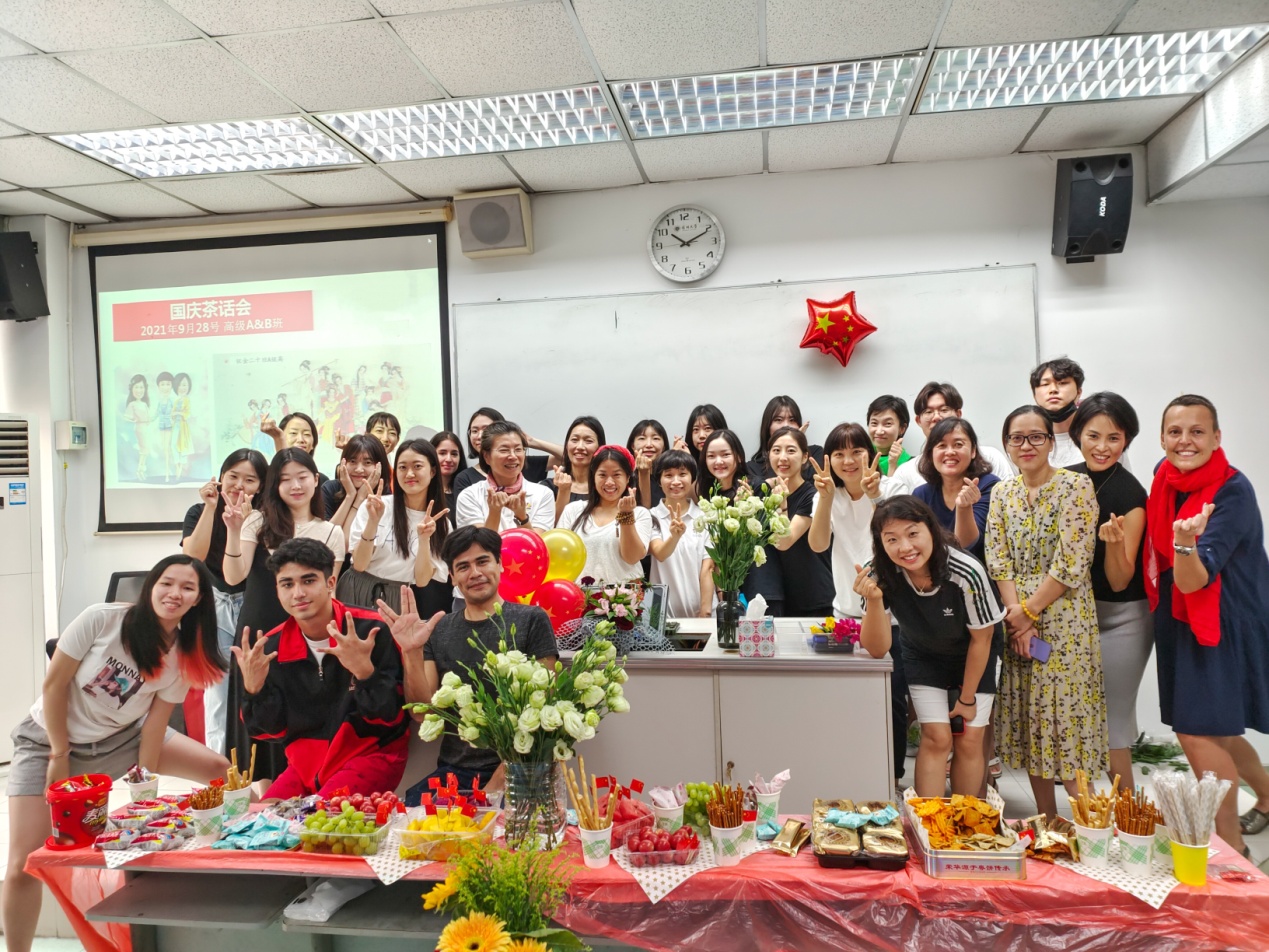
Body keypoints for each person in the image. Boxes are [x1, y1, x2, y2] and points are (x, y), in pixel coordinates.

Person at [3, 556, 229, 952]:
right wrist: (59, 755)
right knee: (24, 862)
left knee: (220, 769)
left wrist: (145, 791)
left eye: (187, 588)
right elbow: (54, 686)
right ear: (151, 585)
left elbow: (155, 726)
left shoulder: (183, 655)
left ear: (198, 600)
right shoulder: (102, 619)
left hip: (121, 739)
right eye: (166, 583)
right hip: (47, 741)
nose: (174, 593)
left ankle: (229, 869)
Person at [1147, 395, 1269, 855]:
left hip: (1219, 619)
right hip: (1177, 616)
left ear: (1217, 438)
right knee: (1215, 728)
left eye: (1197, 432)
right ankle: (1268, 797)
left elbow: (1195, 579)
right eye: (1175, 431)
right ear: (1162, 438)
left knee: (1197, 729)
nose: (1185, 441)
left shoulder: (1232, 491)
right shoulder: (1164, 476)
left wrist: (1184, 542)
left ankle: (1232, 849)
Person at [985, 405, 1107, 820]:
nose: (1027, 445)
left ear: (1051, 442)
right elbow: (998, 560)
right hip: (1018, 620)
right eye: (1017, 438)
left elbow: (1073, 563)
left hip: (1065, 619)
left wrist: (1027, 613)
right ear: (1006, 445)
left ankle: (1090, 827)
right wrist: (1016, 617)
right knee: (1033, 721)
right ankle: (1047, 822)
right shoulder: (1002, 493)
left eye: (1036, 436)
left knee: (1066, 721)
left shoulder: (1076, 486)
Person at [379, 526, 559, 802]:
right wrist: (412, 652)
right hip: (455, 773)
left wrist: (493, 791)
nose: (474, 573)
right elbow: (422, 713)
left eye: (482, 561)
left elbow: (544, 711)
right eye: (463, 567)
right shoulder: (439, 629)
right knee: (410, 812)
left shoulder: (531, 620)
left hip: (519, 770)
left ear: (500, 564)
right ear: (452, 577)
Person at [236, 538, 407, 799]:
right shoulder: (271, 648)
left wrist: (365, 673)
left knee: (318, 817)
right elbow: (269, 732)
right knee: (263, 819)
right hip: (304, 765)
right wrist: (254, 690)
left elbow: (390, 718)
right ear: (277, 590)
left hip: (370, 754)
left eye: (308, 581)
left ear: (330, 583)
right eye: (287, 584)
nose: (298, 593)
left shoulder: (372, 630)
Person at [857, 497, 1004, 797]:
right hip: (923, 654)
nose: (905, 547)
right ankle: (927, 819)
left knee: (969, 739)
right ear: (880, 543)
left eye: (913, 534)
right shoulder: (877, 573)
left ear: (931, 530)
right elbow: (877, 648)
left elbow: (983, 638)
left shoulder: (965, 570)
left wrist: (966, 698)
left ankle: (964, 818)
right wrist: (874, 601)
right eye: (892, 539)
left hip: (975, 653)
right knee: (937, 737)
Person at [222, 447, 347, 779]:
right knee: (259, 716)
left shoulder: (331, 532)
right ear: (274, 486)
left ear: (316, 480)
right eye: (285, 479)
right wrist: (233, 531)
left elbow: (330, 594)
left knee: (301, 717)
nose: (295, 485)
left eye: (302, 477)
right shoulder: (257, 521)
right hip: (260, 632)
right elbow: (234, 577)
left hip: (307, 637)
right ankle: (259, 794)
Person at [807, 423, 906, 783]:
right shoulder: (827, 494)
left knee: (891, 702)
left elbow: (899, 536)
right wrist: (826, 499)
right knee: (847, 701)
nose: (848, 461)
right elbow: (818, 544)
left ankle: (891, 779)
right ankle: (851, 775)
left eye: (856, 452)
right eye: (839, 454)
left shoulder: (892, 488)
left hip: (893, 617)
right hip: (845, 614)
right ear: (829, 459)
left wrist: (876, 495)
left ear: (870, 454)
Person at [1066, 392, 1152, 794]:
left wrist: (1114, 545)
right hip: (1072, 617)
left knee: (1113, 724)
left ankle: (1128, 816)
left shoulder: (1131, 495)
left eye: (1114, 438)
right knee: (1072, 718)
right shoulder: (1064, 480)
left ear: (1126, 441)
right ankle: (1087, 814)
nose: (1102, 447)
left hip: (1122, 619)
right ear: (1078, 435)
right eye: (1093, 436)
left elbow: (1120, 581)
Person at [181, 448, 268, 754]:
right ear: (220, 477)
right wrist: (210, 507)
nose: (239, 485)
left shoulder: (264, 518)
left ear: (261, 485)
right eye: (233, 476)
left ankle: (253, 765)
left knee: (254, 690)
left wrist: (245, 522)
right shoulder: (198, 511)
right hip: (214, 606)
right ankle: (219, 766)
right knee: (217, 695)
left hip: (252, 606)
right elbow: (193, 555)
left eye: (250, 479)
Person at [343, 439, 452, 617]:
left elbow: (422, 580)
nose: (409, 474)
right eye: (402, 467)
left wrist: (424, 540)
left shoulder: (440, 523)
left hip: (399, 597)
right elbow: (360, 565)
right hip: (356, 588)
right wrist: (373, 522)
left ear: (433, 471)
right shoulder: (376, 506)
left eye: (417, 466)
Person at [884, 382, 1014, 497]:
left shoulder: (991, 457)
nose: (936, 417)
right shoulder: (906, 472)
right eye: (928, 412)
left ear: (958, 414)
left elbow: (1009, 501)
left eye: (944, 410)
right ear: (918, 420)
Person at [764, 427, 834, 617]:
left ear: (805, 457)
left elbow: (784, 541)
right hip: (784, 597)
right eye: (776, 450)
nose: (783, 457)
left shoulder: (812, 496)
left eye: (791, 451)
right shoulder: (766, 494)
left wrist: (781, 506)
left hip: (816, 597)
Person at [912, 418, 1000, 564]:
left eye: (958, 444)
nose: (950, 452)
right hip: (936, 571)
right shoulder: (921, 494)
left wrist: (964, 507)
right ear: (930, 454)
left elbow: (966, 545)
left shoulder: (988, 485)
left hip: (977, 572)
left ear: (973, 451)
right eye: (942, 445)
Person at [561, 446, 652, 584]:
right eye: (602, 475)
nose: (609, 482)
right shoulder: (573, 510)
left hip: (624, 596)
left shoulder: (640, 513)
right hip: (578, 594)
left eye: (616, 475)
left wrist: (626, 515)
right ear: (593, 477)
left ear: (627, 478)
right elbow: (561, 556)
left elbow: (632, 557)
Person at [454, 421, 556, 532]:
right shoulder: (469, 496)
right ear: (486, 456)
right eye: (504, 450)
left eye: (518, 449)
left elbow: (537, 541)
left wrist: (522, 517)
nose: (513, 456)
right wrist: (494, 512)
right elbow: (478, 542)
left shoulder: (543, 494)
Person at [648, 450, 714, 618]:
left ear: (692, 478)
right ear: (659, 480)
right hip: (661, 615)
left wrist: (705, 614)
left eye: (682, 474)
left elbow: (708, 568)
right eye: (668, 475)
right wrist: (674, 537)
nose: (676, 481)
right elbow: (660, 553)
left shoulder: (705, 517)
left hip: (702, 613)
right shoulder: (650, 516)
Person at [452, 407, 558, 495]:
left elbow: (566, 458)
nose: (480, 436)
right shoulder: (465, 479)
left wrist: (531, 441)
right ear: (486, 457)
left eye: (486, 429)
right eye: (474, 431)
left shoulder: (520, 462)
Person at [320, 434, 391, 555]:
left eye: (367, 462)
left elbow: (347, 546)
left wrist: (360, 498)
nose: (359, 469)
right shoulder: (330, 488)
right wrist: (350, 496)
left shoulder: (384, 496)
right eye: (352, 461)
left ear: (379, 466)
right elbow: (326, 542)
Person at [747, 395, 822, 483]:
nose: (786, 425)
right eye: (778, 420)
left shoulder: (815, 453)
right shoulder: (752, 467)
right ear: (768, 426)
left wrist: (797, 443)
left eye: (792, 420)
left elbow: (815, 487)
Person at [547, 416, 605, 523]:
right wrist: (563, 491)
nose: (580, 447)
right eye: (574, 440)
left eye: (588, 441)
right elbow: (550, 527)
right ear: (566, 445)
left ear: (600, 447)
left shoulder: (607, 487)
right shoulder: (548, 487)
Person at [1031, 357, 1085, 468]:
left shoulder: (1099, 435)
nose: (1053, 390)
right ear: (1035, 395)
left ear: (1078, 392)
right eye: (1045, 384)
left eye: (1062, 383)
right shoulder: (1025, 442)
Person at [262, 410, 329, 483]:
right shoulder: (265, 475)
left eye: (306, 434)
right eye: (293, 433)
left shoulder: (323, 481)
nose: (300, 439)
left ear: (313, 444)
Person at [627, 419, 669, 509]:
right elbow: (644, 510)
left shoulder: (669, 477)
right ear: (633, 446)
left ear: (664, 446)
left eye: (656, 438)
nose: (649, 445)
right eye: (642, 438)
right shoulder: (625, 475)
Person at [867, 394, 911, 477]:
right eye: (874, 423)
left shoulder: (908, 465)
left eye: (887, 424)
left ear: (902, 428)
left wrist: (893, 465)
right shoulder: (861, 454)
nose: (879, 431)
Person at [696, 428, 746, 500]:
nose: (718, 461)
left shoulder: (754, 487)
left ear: (739, 457)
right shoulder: (703, 488)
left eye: (725, 455)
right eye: (711, 456)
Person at [430, 429, 469, 511]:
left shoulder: (467, 490)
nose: (448, 459)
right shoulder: (423, 491)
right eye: (442, 453)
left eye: (454, 454)